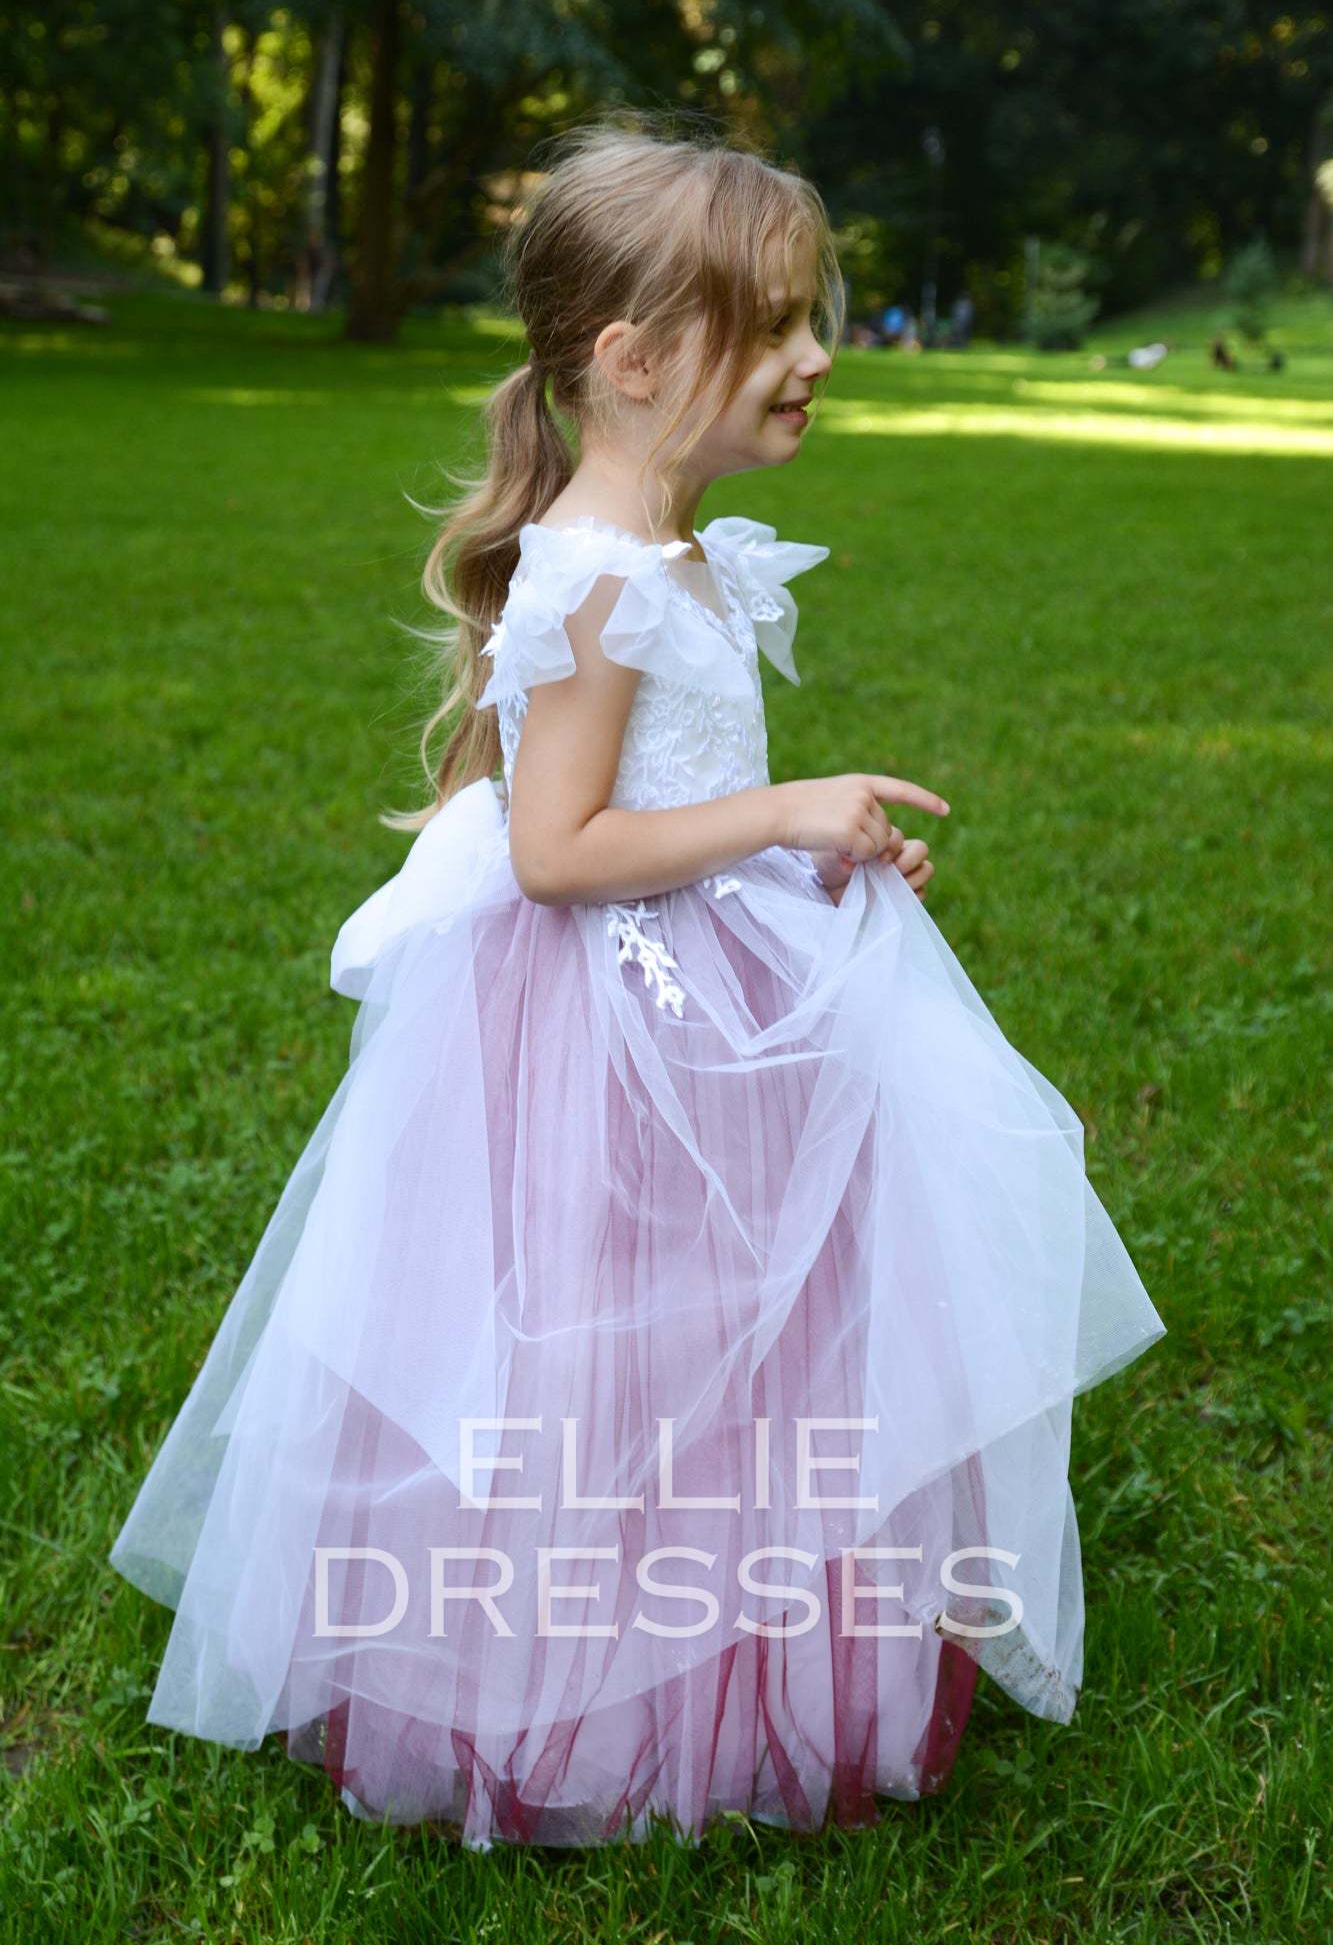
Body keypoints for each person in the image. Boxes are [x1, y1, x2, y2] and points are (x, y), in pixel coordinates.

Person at [107, 121, 1167, 1851]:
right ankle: (589, 1682)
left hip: (699, 982)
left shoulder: (664, 551)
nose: (819, 356)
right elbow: (555, 847)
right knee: (613, 1341)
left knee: (734, 1337)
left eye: (813, 316)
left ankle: (728, 1635)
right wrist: (773, 808)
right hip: (610, 1022)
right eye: (775, 324)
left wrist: (797, 851)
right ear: (636, 362)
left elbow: (657, 811)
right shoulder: (595, 576)